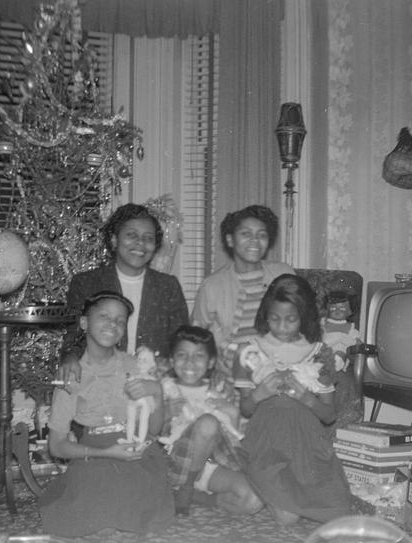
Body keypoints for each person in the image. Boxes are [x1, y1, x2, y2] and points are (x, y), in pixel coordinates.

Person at [232, 274, 375, 526]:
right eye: (274, 318)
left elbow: (329, 415)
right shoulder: (250, 351)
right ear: (265, 314)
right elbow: (245, 409)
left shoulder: (320, 353)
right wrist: (259, 393)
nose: (282, 327)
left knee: (336, 509)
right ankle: (261, 487)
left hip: (307, 448)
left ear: (304, 316)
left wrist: (306, 398)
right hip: (267, 444)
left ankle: (274, 491)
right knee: (288, 517)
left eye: (291, 319)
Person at [38, 291, 175, 536]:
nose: (113, 324)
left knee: (136, 483)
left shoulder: (135, 365)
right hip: (95, 452)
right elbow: (57, 446)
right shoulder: (72, 375)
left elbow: (154, 430)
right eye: (104, 316)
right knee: (99, 485)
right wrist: (105, 453)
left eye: (120, 320)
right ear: (84, 323)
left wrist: (156, 393)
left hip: (137, 448)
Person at [58, 203, 189, 385]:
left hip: (154, 383)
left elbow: (181, 340)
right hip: (102, 381)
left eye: (148, 238)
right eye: (131, 235)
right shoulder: (87, 283)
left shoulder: (168, 286)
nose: (140, 243)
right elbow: (75, 333)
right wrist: (70, 356)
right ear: (114, 240)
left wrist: (169, 367)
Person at [158, 325, 263, 517]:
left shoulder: (218, 390)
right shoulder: (164, 389)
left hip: (207, 463)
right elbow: (152, 434)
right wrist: (164, 413)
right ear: (172, 360)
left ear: (210, 362)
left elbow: (232, 437)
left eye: (198, 356)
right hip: (173, 464)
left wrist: (232, 412)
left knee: (253, 500)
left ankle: (192, 495)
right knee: (208, 422)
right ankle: (185, 488)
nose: (189, 362)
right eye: (182, 355)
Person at [191, 205, 294, 380]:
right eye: (246, 234)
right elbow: (195, 338)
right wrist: (215, 363)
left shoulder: (284, 275)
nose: (255, 241)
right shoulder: (212, 286)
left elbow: (306, 322)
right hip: (231, 375)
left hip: (281, 371)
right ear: (230, 240)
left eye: (262, 235)